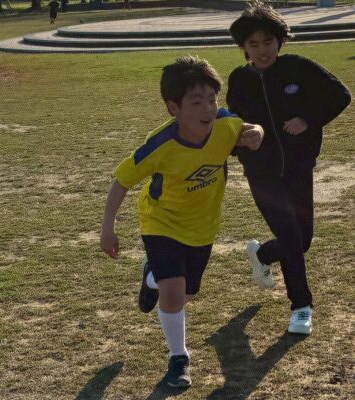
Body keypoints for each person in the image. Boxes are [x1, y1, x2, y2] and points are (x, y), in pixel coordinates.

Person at [100, 56, 264, 388]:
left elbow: (249, 129)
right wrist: (107, 227)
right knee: (174, 294)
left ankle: (152, 278)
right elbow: (121, 181)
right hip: (161, 222)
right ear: (173, 108)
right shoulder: (160, 144)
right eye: (196, 102)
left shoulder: (225, 125)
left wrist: (257, 134)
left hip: (203, 226)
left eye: (212, 99)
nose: (208, 109)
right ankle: (179, 358)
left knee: (185, 293)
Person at [227, 1, 352, 336]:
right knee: (292, 237)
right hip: (262, 174)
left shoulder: (298, 67)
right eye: (254, 44)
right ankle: (301, 307)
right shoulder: (239, 79)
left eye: (268, 42)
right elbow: (233, 123)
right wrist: (242, 142)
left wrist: (308, 119)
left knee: (303, 239)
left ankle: (262, 254)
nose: (262, 50)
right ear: (243, 47)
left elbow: (340, 95)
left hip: (298, 168)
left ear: (280, 40)